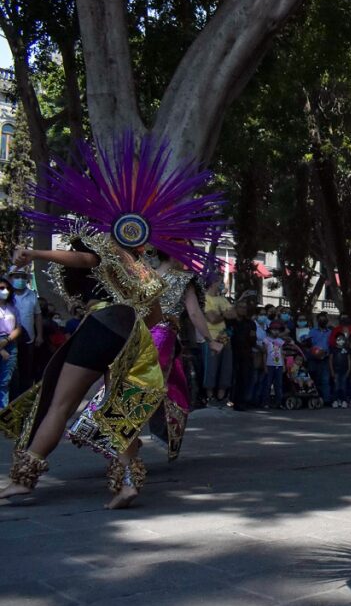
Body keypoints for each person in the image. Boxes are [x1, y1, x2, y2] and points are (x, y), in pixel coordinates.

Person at [0, 134, 225, 507]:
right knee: (114, 410)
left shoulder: (108, 247)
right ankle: (126, 482)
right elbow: (154, 319)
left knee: (59, 402)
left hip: (103, 325)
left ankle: (24, 479)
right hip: (134, 338)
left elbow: (83, 261)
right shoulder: (148, 276)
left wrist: (37, 252)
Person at [148, 254, 222, 459]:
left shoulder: (145, 274)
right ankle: (158, 433)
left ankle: (105, 429)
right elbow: (195, 313)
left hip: (141, 335)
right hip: (163, 337)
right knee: (164, 389)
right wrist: (210, 340)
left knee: (141, 385)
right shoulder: (182, 278)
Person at [5, 267, 41, 400]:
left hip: (28, 339)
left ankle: (24, 398)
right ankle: (10, 399)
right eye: (16, 276)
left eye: (22, 276)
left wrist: (39, 335)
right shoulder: (5, 294)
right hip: (9, 339)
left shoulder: (32, 295)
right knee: (11, 371)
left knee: (27, 368)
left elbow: (38, 316)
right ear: (10, 278)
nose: (20, 279)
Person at [203, 279, 234, 405]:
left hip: (225, 337)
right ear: (212, 282)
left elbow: (233, 314)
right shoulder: (205, 298)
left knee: (226, 366)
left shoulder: (222, 299)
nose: (221, 283)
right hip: (211, 337)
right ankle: (210, 396)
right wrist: (224, 313)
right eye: (218, 281)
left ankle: (221, 396)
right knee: (211, 367)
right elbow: (212, 319)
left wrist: (221, 314)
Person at [229, 291, 259, 411]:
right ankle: (230, 399)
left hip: (246, 353)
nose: (243, 310)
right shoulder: (231, 321)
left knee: (245, 378)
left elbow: (253, 339)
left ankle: (242, 401)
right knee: (232, 377)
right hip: (233, 351)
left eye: (244, 308)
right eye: (240, 307)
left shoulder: (250, 323)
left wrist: (253, 337)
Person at [0, 275, 22, 409]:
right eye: (2, 288)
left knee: (4, 383)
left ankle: (2, 414)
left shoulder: (13, 307)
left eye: (7, 288)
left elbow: (18, 328)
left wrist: (7, 341)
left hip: (10, 344)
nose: (5, 291)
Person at [261, 321, 287, 407]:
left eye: (278, 330)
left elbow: (282, 353)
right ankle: (265, 402)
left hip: (278, 365)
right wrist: (265, 366)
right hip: (269, 365)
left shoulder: (280, 341)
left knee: (278, 384)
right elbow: (264, 353)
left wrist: (283, 365)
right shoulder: (266, 340)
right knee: (267, 384)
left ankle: (278, 403)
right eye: (274, 330)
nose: (276, 331)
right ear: (270, 330)